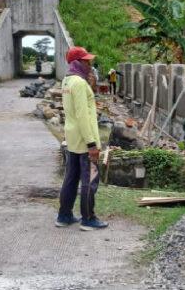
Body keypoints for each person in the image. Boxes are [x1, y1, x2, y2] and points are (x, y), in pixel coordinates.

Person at [56, 46, 108, 231]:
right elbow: (82, 115)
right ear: (78, 62)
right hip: (85, 140)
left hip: (72, 138)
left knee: (71, 178)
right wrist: (92, 143)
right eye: (86, 61)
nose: (90, 64)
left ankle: (64, 215)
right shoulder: (79, 83)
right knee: (90, 179)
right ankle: (88, 218)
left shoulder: (67, 81)